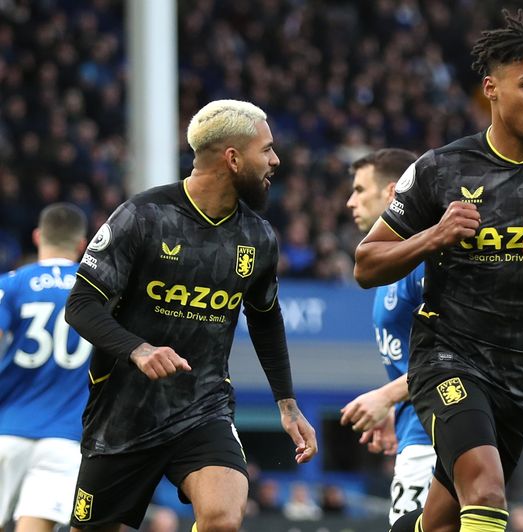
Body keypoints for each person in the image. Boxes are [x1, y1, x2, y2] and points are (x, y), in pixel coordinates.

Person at [355, 10, 523, 532]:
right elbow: (366, 263)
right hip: (448, 359)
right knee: (487, 490)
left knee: (440, 523)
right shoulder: (440, 169)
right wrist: (434, 236)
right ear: (492, 89)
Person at [64, 99, 317, 532]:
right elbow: (80, 306)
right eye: (267, 150)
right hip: (123, 414)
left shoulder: (257, 235)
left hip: (204, 406)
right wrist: (138, 349)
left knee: (222, 516)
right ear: (232, 158)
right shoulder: (142, 216)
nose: (275, 160)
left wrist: (288, 403)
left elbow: (265, 318)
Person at [339, 148, 437, 525]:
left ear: (393, 192)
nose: (350, 201)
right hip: (415, 421)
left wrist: (387, 396)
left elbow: (462, 352)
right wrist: (394, 406)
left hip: (442, 424)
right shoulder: (389, 262)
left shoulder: (424, 258)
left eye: (360, 189)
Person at [0, 203, 90, 532]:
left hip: (6, 428)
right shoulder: (97, 292)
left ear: (38, 236)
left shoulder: (12, 284)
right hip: (65, 436)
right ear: (82, 245)